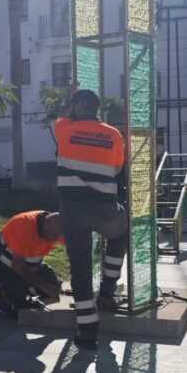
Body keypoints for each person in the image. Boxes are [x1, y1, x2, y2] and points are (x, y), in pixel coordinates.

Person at [55, 87, 127, 350]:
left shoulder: (63, 128)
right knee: (120, 234)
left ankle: (88, 333)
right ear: (96, 109)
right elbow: (117, 168)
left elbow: (63, 113)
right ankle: (108, 290)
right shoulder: (114, 135)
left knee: (81, 271)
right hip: (106, 209)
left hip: (73, 211)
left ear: (77, 108)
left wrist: (68, 103)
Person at [0, 210, 63, 316]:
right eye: (55, 235)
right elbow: (18, 265)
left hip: (28, 267)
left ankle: (19, 291)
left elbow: (77, 251)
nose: (56, 239)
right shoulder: (25, 225)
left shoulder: (57, 226)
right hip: (3, 267)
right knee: (17, 309)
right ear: (47, 223)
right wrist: (44, 285)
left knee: (54, 287)